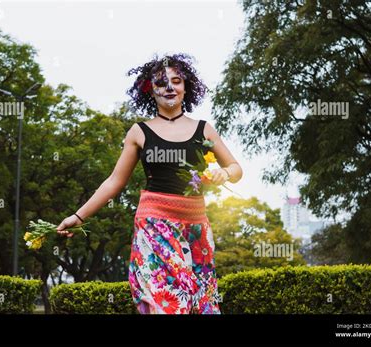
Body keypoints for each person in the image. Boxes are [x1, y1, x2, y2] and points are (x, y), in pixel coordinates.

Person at [57, 53, 243, 314]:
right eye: (161, 83)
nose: (169, 87)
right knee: (166, 304)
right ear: (150, 90)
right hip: (154, 227)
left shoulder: (205, 129)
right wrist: (78, 216)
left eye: (176, 81)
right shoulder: (139, 132)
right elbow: (114, 181)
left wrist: (225, 172)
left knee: (201, 304)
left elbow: (236, 169)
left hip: (196, 229)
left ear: (186, 87)